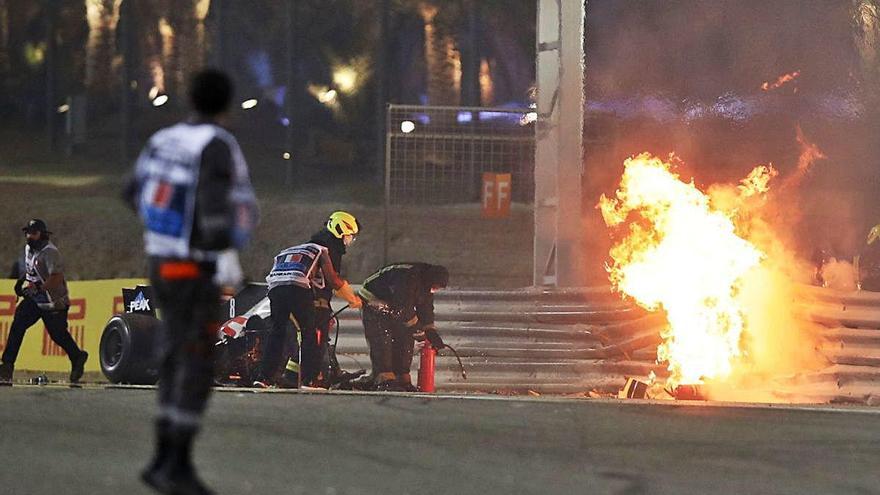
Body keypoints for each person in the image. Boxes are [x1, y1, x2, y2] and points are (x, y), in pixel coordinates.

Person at [125, 68, 258, 495]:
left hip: (160, 261)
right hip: (193, 266)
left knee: (173, 356)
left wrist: (162, 233)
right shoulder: (216, 144)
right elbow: (215, 206)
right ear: (227, 105)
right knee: (196, 364)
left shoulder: (162, 140)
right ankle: (174, 464)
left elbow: (132, 191)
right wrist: (225, 257)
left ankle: (163, 459)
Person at [253, 237, 362, 389]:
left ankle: (264, 378)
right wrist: (352, 298)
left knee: (277, 333)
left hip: (275, 288)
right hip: (298, 287)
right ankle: (309, 379)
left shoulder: (287, 251)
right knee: (309, 333)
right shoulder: (321, 250)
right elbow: (333, 280)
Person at [0, 219, 88, 384]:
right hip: (35, 299)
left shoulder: (50, 252)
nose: (29, 236)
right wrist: (21, 282)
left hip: (53, 301)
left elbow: (56, 278)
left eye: (33, 233)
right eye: (27, 233)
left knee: (58, 334)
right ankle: (7, 365)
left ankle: (77, 356)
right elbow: (31, 270)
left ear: (42, 234)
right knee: (18, 322)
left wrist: (38, 287)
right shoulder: (28, 249)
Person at [357, 263, 449, 391]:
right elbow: (404, 309)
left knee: (405, 338)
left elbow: (425, 309)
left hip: (394, 305)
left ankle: (402, 377)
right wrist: (419, 332)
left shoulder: (426, 285)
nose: (435, 289)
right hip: (375, 300)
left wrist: (430, 331)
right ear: (430, 281)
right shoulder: (408, 278)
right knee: (383, 338)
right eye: (435, 287)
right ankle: (384, 377)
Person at [307, 210, 360, 387]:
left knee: (316, 339)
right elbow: (333, 279)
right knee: (317, 339)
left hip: (310, 298)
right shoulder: (328, 248)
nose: (350, 240)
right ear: (340, 230)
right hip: (314, 300)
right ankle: (316, 377)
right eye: (350, 235)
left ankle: (321, 372)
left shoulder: (319, 243)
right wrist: (352, 298)